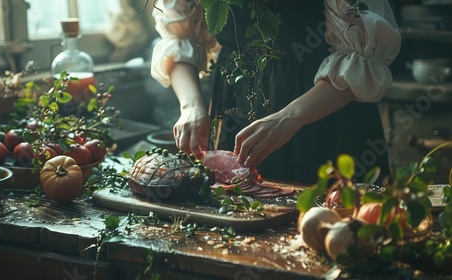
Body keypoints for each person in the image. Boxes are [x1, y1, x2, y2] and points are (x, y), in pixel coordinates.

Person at [150, 0, 401, 184]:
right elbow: (178, 38)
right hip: (236, 101)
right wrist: (191, 106)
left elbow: (363, 65)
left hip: (323, 114)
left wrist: (287, 118)